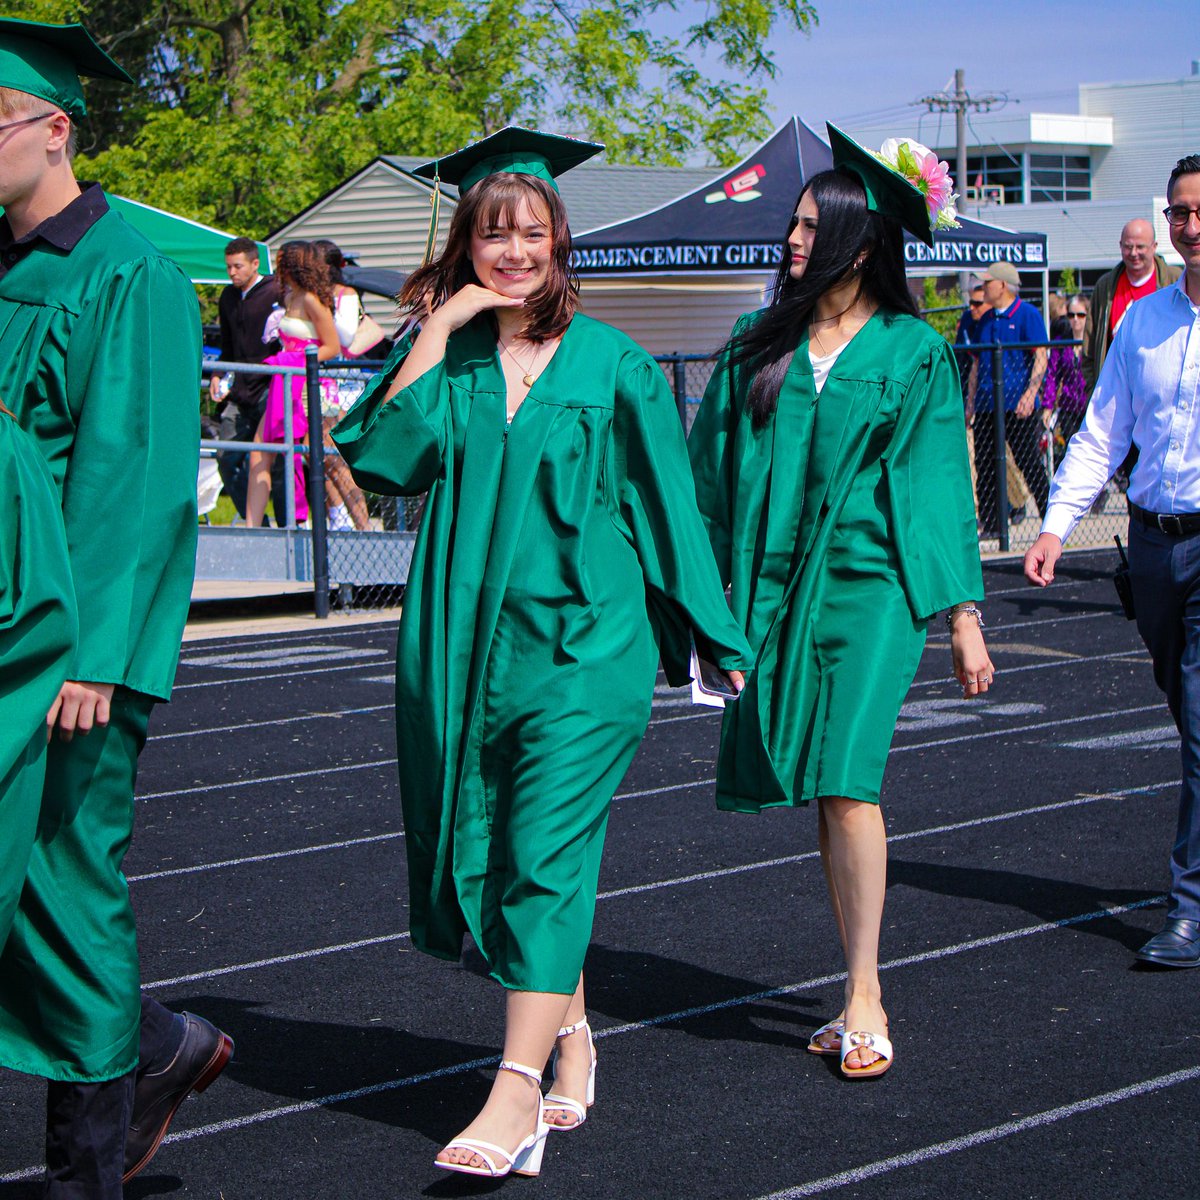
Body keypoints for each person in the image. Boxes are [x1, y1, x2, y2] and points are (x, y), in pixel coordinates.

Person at [332, 126, 753, 1177]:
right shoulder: (457, 358)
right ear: (469, 245)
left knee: (547, 848)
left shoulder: (612, 364)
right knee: (508, 852)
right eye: (492, 235)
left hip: (586, 644)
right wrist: (438, 331)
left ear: (561, 241)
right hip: (465, 644)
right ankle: (570, 1037)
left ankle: (510, 1096)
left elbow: (668, 506)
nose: (513, 252)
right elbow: (384, 458)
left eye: (530, 234)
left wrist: (713, 632)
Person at [689, 125, 992, 1081]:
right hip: (772, 591)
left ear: (860, 246)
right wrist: (684, 590)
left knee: (852, 778)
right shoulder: (756, 342)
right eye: (791, 224)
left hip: (870, 590)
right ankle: (851, 981)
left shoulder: (911, 351)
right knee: (821, 784)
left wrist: (962, 616)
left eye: (809, 227)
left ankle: (865, 990)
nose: (790, 240)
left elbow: (938, 483)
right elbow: (705, 475)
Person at [0, 19, 232, 1196]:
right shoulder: (1, 271)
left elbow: (131, 482)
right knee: (19, 882)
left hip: (70, 646)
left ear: (56, 127)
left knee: (66, 880)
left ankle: (84, 1169)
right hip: (0, 630)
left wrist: (92, 653)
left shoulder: (127, 268)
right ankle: (159, 1047)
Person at [1025, 154, 1200, 970]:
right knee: (1185, 704)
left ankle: (1188, 907)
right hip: (1156, 544)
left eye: (1199, 211)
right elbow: (1101, 435)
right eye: (1179, 213)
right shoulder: (1142, 325)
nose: (1190, 227)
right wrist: (1057, 527)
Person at [245, 239, 340, 529]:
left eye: (282, 260)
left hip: (306, 387)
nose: (277, 267)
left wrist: (296, 360)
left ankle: (347, 520)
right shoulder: (290, 297)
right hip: (284, 383)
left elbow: (332, 347)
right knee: (261, 450)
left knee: (317, 456)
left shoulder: (311, 299)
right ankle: (252, 526)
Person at [967, 262, 1050, 536]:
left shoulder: (1026, 314)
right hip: (988, 404)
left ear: (1002, 285)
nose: (983, 288)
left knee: (1028, 462)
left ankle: (1051, 518)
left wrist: (1031, 394)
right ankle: (992, 524)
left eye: (987, 283)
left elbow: (1040, 356)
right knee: (986, 463)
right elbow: (977, 365)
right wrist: (970, 401)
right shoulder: (987, 319)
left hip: (1018, 406)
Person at [212, 235, 284, 521]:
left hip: (270, 387)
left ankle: (286, 524)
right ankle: (256, 520)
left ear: (255, 264)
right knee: (225, 457)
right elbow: (226, 345)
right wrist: (219, 373)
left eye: (238, 266)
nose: (232, 273)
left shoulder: (275, 292)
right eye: (229, 267)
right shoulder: (228, 296)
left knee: (275, 463)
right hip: (240, 392)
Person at [1080, 217, 1180, 393]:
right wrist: (1093, 390)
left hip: (1162, 393)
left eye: (1140, 247)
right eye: (1128, 246)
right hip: (1115, 394)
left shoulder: (1174, 281)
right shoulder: (1106, 286)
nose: (1133, 253)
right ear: (1120, 246)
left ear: (1154, 247)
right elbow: (1090, 346)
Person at [313, 238, 372, 530]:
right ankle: (338, 518)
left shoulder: (344, 294)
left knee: (335, 455)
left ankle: (363, 525)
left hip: (342, 383)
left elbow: (345, 338)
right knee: (320, 457)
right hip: (319, 382)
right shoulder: (311, 296)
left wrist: (318, 313)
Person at [1043, 297, 1090, 447]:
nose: (1075, 319)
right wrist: (1048, 405)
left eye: (1080, 315)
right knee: (1073, 449)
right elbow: (1052, 375)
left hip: (1091, 407)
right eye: (1071, 315)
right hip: (1069, 407)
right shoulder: (1061, 342)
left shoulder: (1095, 342)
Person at [953, 282, 989, 398]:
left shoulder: (992, 323)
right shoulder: (967, 319)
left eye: (977, 304)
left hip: (985, 383)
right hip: (964, 377)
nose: (972, 308)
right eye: (971, 303)